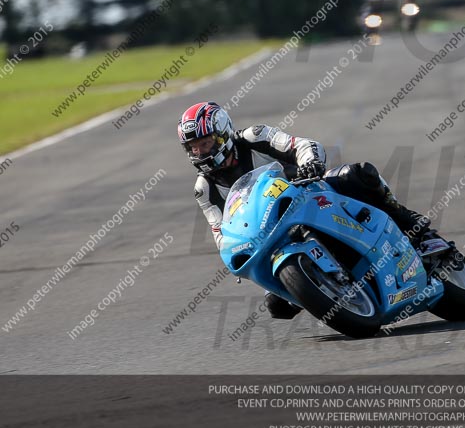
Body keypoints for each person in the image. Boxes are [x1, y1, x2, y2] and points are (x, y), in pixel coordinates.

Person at [178, 101, 430, 319]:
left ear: (223, 134)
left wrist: (310, 164)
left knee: (359, 174)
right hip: (269, 234)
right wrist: (235, 252)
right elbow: (220, 233)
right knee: (277, 306)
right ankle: (328, 290)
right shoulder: (204, 188)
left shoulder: (254, 137)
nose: (199, 151)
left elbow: (302, 145)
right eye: (193, 147)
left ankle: (415, 228)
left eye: (205, 142)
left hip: (308, 192)